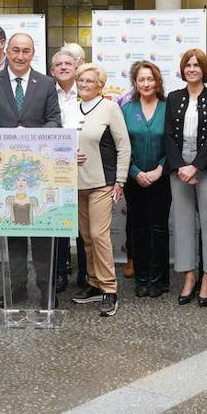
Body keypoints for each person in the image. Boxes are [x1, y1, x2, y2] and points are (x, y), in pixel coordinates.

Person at [0, 32, 62, 306]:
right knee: (15, 234)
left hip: (39, 171)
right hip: (6, 173)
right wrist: (11, 138)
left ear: (33, 53)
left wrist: (30, 138)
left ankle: (46, 291)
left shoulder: (46, 83)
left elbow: (54, 121)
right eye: (15, 51)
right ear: (7, 52)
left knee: (43, 233)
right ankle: (17, 289)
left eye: (26, 51)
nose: (20, 56)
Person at [165, 48, 207, 307]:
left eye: (196, 65)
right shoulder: (173, 97)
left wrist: (195, 167)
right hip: (179, 168)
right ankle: (189, 276)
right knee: (182, 224)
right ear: (182, 69)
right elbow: (167, 135)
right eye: (187, 65)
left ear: (204, 69)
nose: (192, 69)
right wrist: (181, 166)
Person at [70, 63, 130, 317]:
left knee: (98, 234)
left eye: (89, 81)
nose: (83, 84)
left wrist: (120, 180)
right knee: (86, 236)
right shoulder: (70, 109)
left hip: (102, 182)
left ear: (101, 85)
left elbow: (123, 145)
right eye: (80, 80)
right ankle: (94, 283)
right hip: (75, 182)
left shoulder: (110, 108)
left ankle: (109, 289)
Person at [122, 61, 170, 298]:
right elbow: (121, 146)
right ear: (135, 83)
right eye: (141, 79)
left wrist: (161, 169)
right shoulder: (127, 110)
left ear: (157, 81)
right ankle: (141, 278)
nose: (146, 83)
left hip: (162, 179)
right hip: (135, 179)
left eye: (150, 79)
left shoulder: (168, 107)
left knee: (159, 228)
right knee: (138, 228)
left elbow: (175, 144)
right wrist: (134, 172)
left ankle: (158, 279)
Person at [50, 46, 82, 293]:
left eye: (67, 64)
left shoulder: (88, 92)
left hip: (84, 164)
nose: (63, 67)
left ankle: (85, 273)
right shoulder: (45, 93)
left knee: (83, 224)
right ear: (52, 70)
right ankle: (60, 272)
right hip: (55, 166)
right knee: (59, 222)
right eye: (58, 65)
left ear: (76, 68)